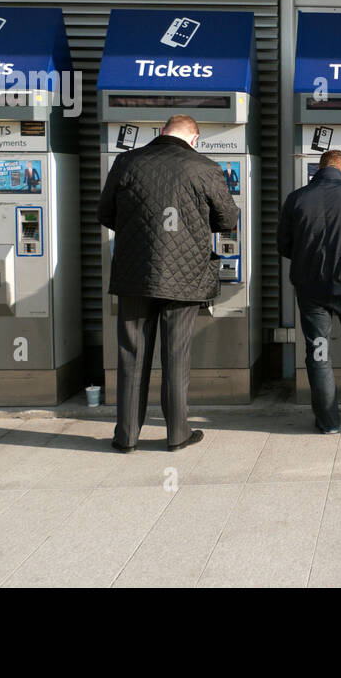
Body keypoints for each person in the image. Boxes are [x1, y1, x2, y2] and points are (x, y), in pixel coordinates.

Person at [97, 114, 240, 453]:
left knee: (132, 354)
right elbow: (228, 219)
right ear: (194, 138)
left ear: (160, 132)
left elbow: (105, 213)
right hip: (186, 278)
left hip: (135, 275)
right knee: (175, 355)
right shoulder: (203, 167)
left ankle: (126, 437)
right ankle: (177, 435)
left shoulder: (127, 161)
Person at [278, 149, 341, 434]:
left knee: (319, 353)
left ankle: (328, 423)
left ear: (318, 169)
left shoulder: (296, 198)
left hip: (312, 290)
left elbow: (284, 246)